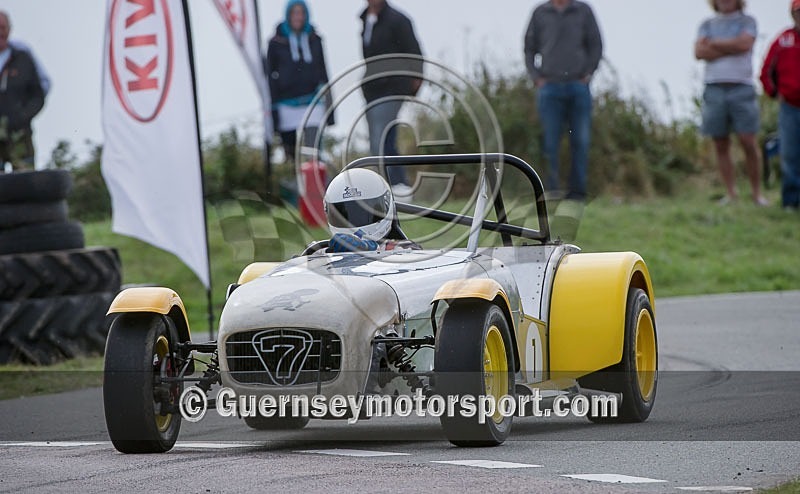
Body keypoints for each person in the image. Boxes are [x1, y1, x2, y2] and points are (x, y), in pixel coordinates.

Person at [524, 0, 602, 201]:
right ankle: (550, 193)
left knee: (581, 142)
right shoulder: (540, 12)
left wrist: (588, 74)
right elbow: (529, 48)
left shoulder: (583, 11)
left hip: (578, 86)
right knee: (549, 144)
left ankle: (577, 195)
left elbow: (596, 45)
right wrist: (536, 78)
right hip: (549, 87)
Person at [695, 0, 768, 206]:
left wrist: (714, 44)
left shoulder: (748, 21)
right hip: (714, 87)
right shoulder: (706, 24)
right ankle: (731, 194)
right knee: (720, 141)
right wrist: (732, 46)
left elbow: (744, 45)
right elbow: (699, 52)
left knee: (748, 140)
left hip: (742, 87)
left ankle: (756, 194)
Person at [360, 0, 423, 193]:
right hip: (372, 89)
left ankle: (395, 184)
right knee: (383, 139)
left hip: (393, 87)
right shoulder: (365, 20)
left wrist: (415, 82)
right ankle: (389, 186)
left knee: (380, 137)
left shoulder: (398, 20)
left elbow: (414, 51)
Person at [266, 0, 333, 162]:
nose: (298, 17)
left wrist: (330, 105)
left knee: (313, 151)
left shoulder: (315, 39)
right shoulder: (275, 42)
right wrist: (273, 107)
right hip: (286, 104)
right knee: (291, 153)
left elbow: (323, 70)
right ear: (288, 15)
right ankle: (294, 176)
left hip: (313, 101)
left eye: (301, 13)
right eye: (295, 13)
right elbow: (270, 74)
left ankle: (315, 175)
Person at [760, 0, 800, 211]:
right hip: (790, 107)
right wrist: (774, 93)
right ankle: (791, 202)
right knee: (790, 154)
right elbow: (765, 71)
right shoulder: (783, 40)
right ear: (793, 14)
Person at [323, 168, 419, 252]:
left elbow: (414, 254)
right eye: (343, 214)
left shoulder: (403, 248)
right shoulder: (322, 250)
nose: (355, 218)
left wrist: (367, 247)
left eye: (361, 213)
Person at [0, 11, 46, 171]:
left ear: (9, 29)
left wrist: (22, 116)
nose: (0, 32)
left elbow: (39, 94)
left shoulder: (23, 59)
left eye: (3, 27)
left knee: (24, 180)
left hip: (19, 136)